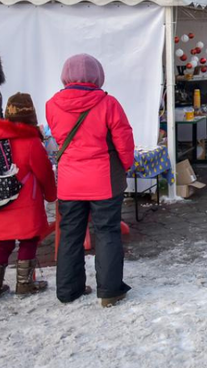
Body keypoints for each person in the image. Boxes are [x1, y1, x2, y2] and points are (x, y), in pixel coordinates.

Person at [46, 54, 135, 307]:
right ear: (98, 75)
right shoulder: (109, 103)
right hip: (103, 179)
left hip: (69, 180)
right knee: (107, 232)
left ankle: (67, 289)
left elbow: (60, 139)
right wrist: (126, 164)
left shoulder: (52, 104)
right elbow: (124, 140)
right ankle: (109, 291)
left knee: (70, 233)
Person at [0, 93, 57, 302]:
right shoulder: (29, 141)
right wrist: (51, 195)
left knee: (1, 244)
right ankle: (25, 283)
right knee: (29, 240)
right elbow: (44, 172)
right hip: (24, 203)